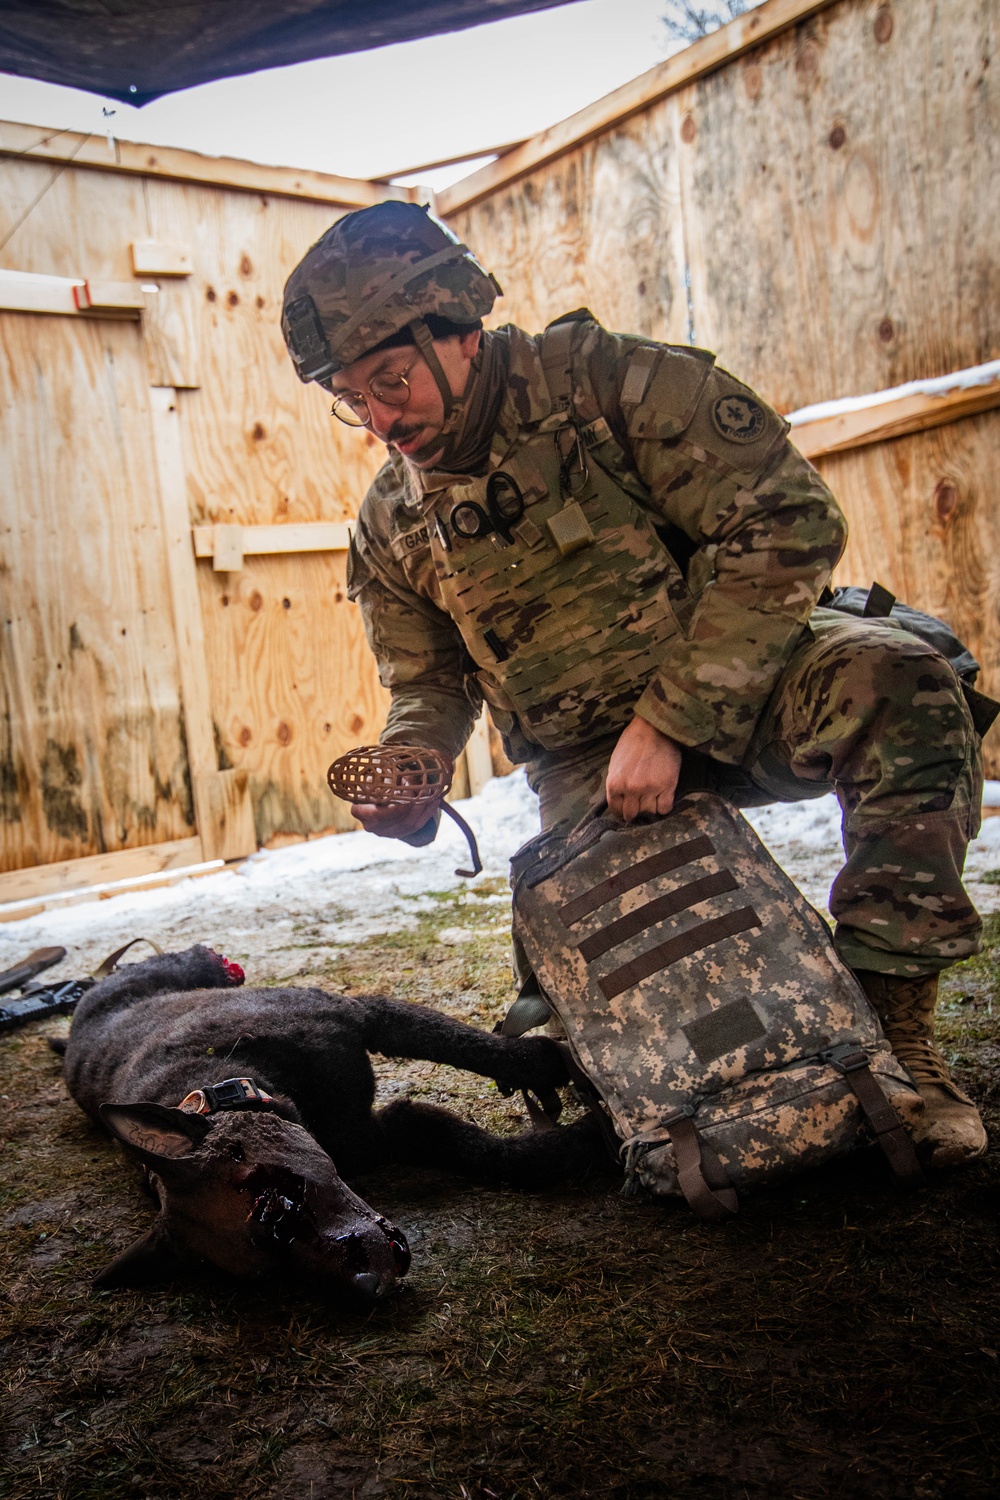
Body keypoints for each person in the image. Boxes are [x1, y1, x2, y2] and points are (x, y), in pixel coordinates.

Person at [281, 201, 989, 1168]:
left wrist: (670, 719)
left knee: (900, 680)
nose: (378, 419)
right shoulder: (392, 521)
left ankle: (899, 1032)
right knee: (641, 1041)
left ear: (457, 330)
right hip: (585, 770)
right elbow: (429, 683)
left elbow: (788, 522)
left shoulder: (610, 384)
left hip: (750, 687)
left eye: (390, 381)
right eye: (350, 398)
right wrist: (416, 762)